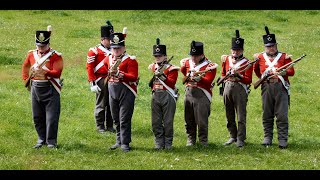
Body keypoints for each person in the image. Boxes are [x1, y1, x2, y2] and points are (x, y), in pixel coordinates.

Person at [22, 25, 63, 149]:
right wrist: (25, 79)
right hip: (35, 87)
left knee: (51, 117)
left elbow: (58, 72)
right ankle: (41, 139)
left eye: (43, 46)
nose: (40, 48)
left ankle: (51, 142)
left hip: (50, 88)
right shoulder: (31, 54)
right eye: (39, 46)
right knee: (37, 116)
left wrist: (46, 72)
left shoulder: (56, 56)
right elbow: (25, 67)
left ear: (48, 44)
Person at [253, 26, 294, 149]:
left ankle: (282, 139)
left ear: (276, 45)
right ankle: (267, 138)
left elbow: (291, 71)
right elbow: (256, 70)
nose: (271, 48)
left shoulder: (284, 57)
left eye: (273, 46)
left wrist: (282, 73)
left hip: (281, 87)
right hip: (266, 86)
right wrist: (264, 76)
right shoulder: (259, 57)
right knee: (267, 113)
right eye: (268, 46)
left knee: (281, 114)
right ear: (265, 47)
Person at [103, 29, 139, 152]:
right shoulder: (108, 59)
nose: (116, 50)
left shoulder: (131, 60)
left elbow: (133, 77)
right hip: (112, 90)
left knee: (124, 118)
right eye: (114, 48)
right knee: (115, 118)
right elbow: (104, 68)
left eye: (118, 48)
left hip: (126, 91)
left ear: (124, 48)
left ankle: (125, 143)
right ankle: (118, 141)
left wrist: (119, 73)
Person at [180, 40, 218, 147]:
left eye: (195, 56)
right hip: (189, 93)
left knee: (201, 120)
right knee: (189, 119)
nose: (193, 58)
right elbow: (184, 72)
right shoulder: (188, 62)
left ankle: (203, 141)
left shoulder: (210, 66)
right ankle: (190, 139)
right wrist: (186, 71)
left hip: (202, 94)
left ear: (201, 55)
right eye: (192, 55)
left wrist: (198, 79)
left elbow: (208, 81)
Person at [220, 30, 253, 148]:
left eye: (238, 50)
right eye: (234, 50)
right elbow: (223, 74)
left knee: (241, 115)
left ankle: (240, 138)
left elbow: (248, 80)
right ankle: (232, 136)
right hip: (228, 87)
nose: (235, 52)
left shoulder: (248, 62)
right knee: (229, 114)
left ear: (242, 50)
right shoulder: (226, 60)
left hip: (240, 88)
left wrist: (238, 75)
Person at [148, 38, 179, 150]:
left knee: (168, 121)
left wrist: (162, 76)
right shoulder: (153, 67)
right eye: (156, 56)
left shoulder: (172, 68)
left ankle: (168, 143)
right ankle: (158, 143)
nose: (157, 58)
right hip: (156, 94)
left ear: (165, 56)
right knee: (156, 121)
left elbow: (171, 83)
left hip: (167, 95)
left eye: (160, 56)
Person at [86, 20, 115, 134]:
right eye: (109, 39)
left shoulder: (114, 50)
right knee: (101, 104)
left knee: (111, 103)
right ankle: (100, 126)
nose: (111, 41)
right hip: (100, 80)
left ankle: (110, 125)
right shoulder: (94, 51)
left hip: (112, 79)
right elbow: (89, 67)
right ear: (103, 39)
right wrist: (92, 82)